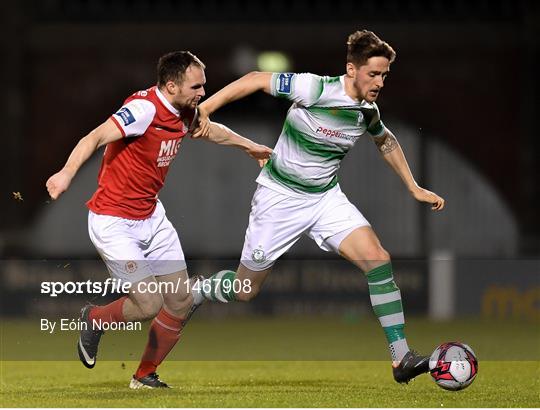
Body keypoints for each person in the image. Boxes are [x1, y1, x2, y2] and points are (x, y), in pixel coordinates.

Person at [191, 30, 445, 384]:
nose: (380, 82)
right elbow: (253, 79)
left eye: (385, 75)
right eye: (373, 74)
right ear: (351, 69)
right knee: (245, 291)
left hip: (325, 199)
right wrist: (203, 109)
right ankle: (198, 290)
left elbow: (385, 140)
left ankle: (401, 358)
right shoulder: (316, 89)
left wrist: (413, 186)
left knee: (378, 259)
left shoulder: (367, 111)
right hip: (279, 199)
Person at [45, 51, 272, 389]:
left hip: (152, 217)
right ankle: (94, 318)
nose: (203, 93)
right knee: (149, 302)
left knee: (180, 301)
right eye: (196, 86)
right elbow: (92, 137)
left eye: (204, 86)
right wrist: (65, 173)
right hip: (113, 222)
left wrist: (249, 146)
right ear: (171, 85)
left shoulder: (185, 111)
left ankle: (144, 375)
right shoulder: (143, 110)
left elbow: (211, 131)